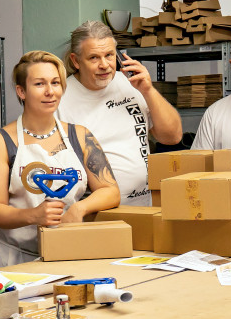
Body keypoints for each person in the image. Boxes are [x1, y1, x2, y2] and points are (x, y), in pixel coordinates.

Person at [0, 51, 121, 264]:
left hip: (64, 252)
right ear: (21, 91)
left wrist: (78, 208)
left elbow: (110, 190)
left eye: (55, 83)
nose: (50, 92)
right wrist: (33, 215)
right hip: (12, 258)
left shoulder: (80, 136)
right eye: (39, 84)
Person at [58, 21, 182, 206]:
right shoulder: (61, 99)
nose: (104, 65)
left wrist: (148, 91)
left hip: (144, 204)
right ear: (76, 61)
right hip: (96, 212)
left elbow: (172, 137)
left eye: (109, 55)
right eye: (94, 58)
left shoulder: (129, 82)